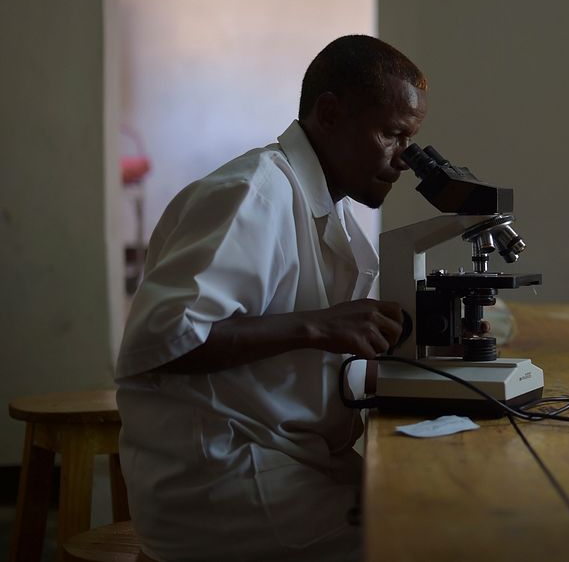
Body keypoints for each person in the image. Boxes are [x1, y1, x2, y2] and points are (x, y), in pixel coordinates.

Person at [115, 35, 427, 561]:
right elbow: (164, 339)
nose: (403, 160)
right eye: (392, 135)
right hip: (222, 478)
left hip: (284, 457)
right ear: (329, 114)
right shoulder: (252, 193)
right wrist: (319, 326)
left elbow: (283, 367)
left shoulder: (324, 203)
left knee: (428, 504)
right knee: (433, 537)